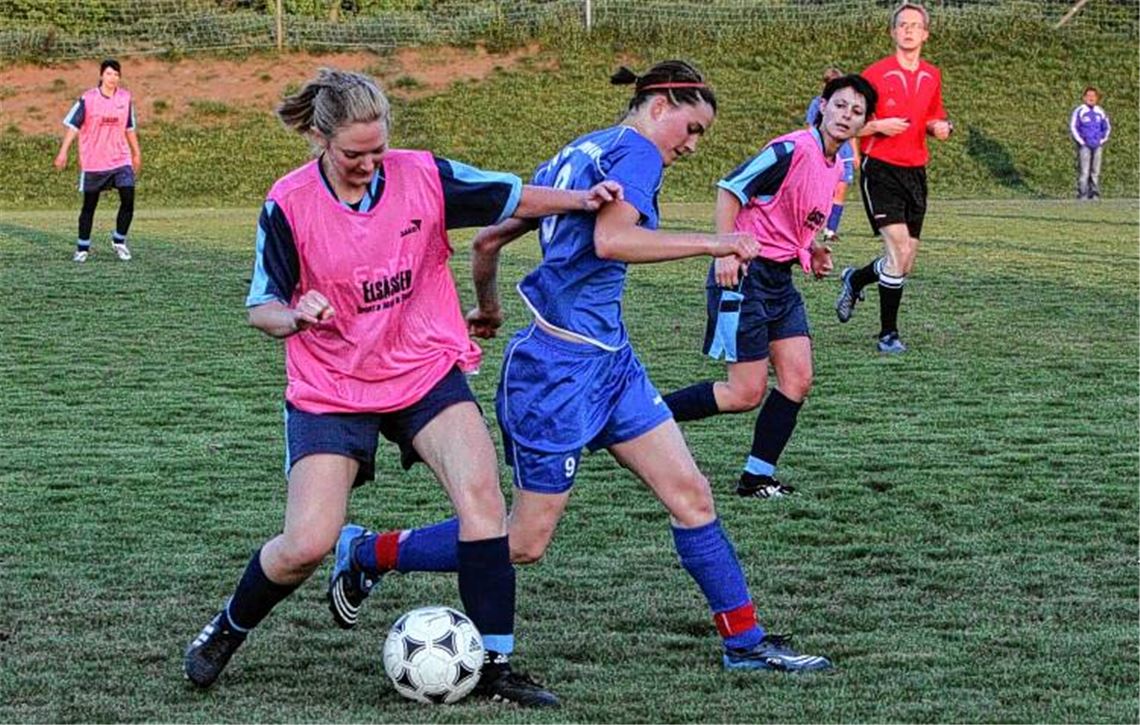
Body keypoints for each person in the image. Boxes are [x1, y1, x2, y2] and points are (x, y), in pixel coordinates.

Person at [332, 60, 833, 676]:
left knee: (691, 495)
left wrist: (487, 309)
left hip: (610, 364)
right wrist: (716, 242)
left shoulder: (582, 151)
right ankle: (368, 552)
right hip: (556, 375)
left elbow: (488, 241)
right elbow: (611, 241)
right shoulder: (638, 154)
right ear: (660, 104)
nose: (693, 145)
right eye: (692, 126)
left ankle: (745, 642)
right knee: (522, 541)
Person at [182, 68, 623, 708]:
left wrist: (581, 201)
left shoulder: (422, 176)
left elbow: (509, 196)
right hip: (331, 384)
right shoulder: (289, 203)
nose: (367, 164)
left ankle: (494, 664)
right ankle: (229, 627)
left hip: (422, 367)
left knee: (482, 508)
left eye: (377, 150)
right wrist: (295, 315)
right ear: (319, 139)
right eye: (352, 154)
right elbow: (261, 307)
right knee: (305, 544)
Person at [664, 74, 877, 500]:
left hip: (780, 280)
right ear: (822, 106)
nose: (845, 116)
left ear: (864, 123)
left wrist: (812, 248)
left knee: (798, 379)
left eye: (856, 111)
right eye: (839, 106)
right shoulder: (791, 148)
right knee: (744, 392)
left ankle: (756, 477)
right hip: (744, 275)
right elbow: (730, 189)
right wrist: (725, 251)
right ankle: (634, 418)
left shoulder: (834, 165)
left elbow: (790, 216)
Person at [835, 1, 953, 354]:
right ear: (893, 32)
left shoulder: (932, 75)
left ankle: (856, 279)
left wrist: (940, 127)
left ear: (925, 34)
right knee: (898, 250)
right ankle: (888, 334)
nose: (909, 30)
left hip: (916, 171)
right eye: (902, 24)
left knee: (903, 262)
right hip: (881, 168)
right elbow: (847, 123)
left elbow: (934, 116)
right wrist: (877, 125)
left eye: (915, 25)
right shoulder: (874, 74)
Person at [53, 58, 140, 263]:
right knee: (89, 206)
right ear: (101, 75)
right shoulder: (88, 99)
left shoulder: (125, 98)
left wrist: (136, 153)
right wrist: (63, 152)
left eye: (117, 75)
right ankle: (82, 247)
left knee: (128, 200)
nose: (113, 78)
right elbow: (73, 126)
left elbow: (129, 127)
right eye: (109, 74)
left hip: (121, 159)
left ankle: (119, 241)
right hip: (94, 161)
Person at [805, 67, 861, 241]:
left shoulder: (848, 106)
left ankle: (830, 231)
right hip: (825, 152)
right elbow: (811, 127)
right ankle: (809, 228)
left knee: (840, 190)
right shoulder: (818, 104)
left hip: (844, 153)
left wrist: (855, 153)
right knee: (821, 192)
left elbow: (852, 130)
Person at [1070, 86, 1111, 200]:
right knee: (1084, 171)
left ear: (1097, 98)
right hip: (1085, 146)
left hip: (1097, 145)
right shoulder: (1079, 111)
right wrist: (1081, 141)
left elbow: (1106, 127)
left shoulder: (1100, 111)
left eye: (1093, 96)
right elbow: (1073, 126)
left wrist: (1102, 140)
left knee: (1095, 171)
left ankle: (1094, 194)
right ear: (1084, 98)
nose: (1091, 98)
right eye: (1088, 96)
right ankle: (1083, 193)